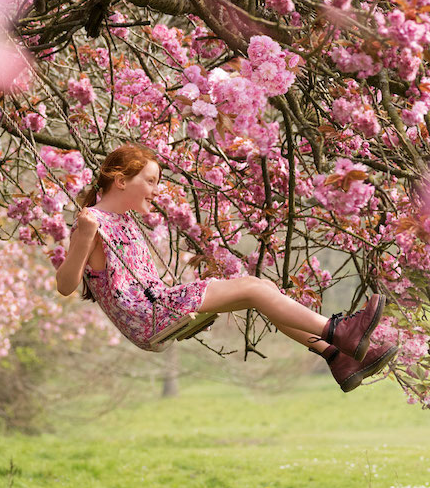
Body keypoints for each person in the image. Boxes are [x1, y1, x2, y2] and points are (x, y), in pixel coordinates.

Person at [55, 144, 398, 392]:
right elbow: (65, 285)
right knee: (253, 288)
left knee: (262, 292)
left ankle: (339, 357)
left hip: (155, 307)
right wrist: (84, 237)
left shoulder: (126, 221)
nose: (156, 191)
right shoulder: (92, 222)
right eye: (150, 181)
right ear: (121, 180)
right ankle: (339, 331)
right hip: (148, 315)